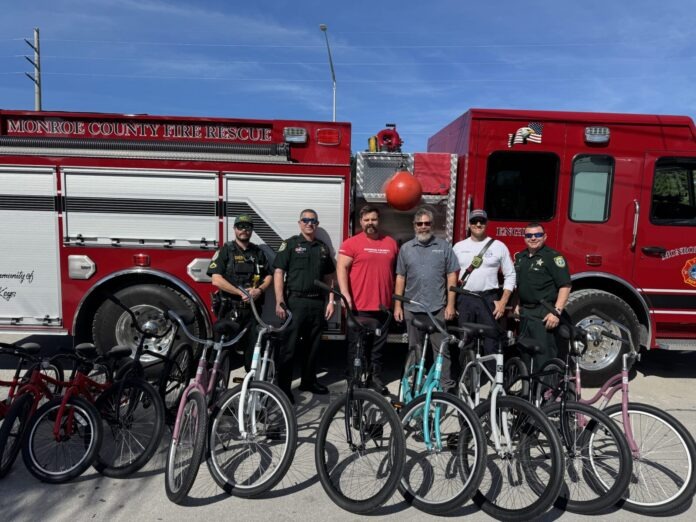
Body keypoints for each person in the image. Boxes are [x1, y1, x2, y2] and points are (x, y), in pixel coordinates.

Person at [274, 209, 336, 403]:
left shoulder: (323, 248)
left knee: (314, 347)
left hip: (317, 303)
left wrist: (331, 300)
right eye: (306, 220)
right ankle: (283, 388)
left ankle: (308, 381)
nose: (310, 224)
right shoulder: (290, 245)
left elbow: (329, 277)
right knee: (288, 348)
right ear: (299, 223)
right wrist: (279, 301)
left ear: (317, 224)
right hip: (295, 302)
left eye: (313, 221)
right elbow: (278, 273)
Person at [394, 207, 459, 391]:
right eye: (420, 223)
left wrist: (451, 304)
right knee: (414, 350)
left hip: (437, 308)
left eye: (427, 223)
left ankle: (446, 386)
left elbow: (452, 276)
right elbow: (400, 277)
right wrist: (398, 305)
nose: (423, 227)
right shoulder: (406, 248)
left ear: (432, 225)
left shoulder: (444, 247)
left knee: (442, 350)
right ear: (414, 226)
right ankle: (414, 383)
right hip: (412, 308)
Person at [336, 205, 398, 395]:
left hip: (382, 306)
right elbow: (341, 268)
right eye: (367, 220)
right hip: (358, 306)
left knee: (378, 348)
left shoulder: (391, 243)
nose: (370, 223)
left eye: (374, 219)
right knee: (357, 347)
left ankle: (374, 378)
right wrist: (345, 294)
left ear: (379, 221)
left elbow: (396, 274)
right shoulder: (351, 243)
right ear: (361, 222)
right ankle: (354, 379)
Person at [452, 209, 516, 377]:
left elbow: (511, 274)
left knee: (491, 342)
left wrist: (503, 301)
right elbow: (450, 276)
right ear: (469, 224)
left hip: (489, 299)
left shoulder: (498, 246)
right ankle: (466, 380)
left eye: (481, 221)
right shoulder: (459, 247)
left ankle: (493, 382)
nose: (478, 224)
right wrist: (452, 303)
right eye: (474, 221)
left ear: (486, 223)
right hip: (465, 299)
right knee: (465, 341)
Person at [207, 214, 272, 371]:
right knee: (220, 354)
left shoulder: (258, 252)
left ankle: (251, 386)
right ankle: (215, 386)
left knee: (253, 352)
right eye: (240, 227)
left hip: (253, 311)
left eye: (247, 227)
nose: (244, 230)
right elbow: (216, 279)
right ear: (235, 229)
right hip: (230, 310)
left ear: (251, 230)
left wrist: (260, 290)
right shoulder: (226, 251)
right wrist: (239, 292)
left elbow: (269, 275)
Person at [514, 222, 571, 370]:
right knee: (525, 354)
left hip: (544, 313)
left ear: (545, 237)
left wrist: (556, 312)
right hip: (525, 313)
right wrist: (518, 305)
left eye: (537, 235)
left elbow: (565, 286)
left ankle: (547, 391)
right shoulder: (521, 257)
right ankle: (528, 391)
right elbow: (521, 285)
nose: (533, 238)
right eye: (529, 235)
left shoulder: (553, 257)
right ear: (525, 238)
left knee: (544, 356)